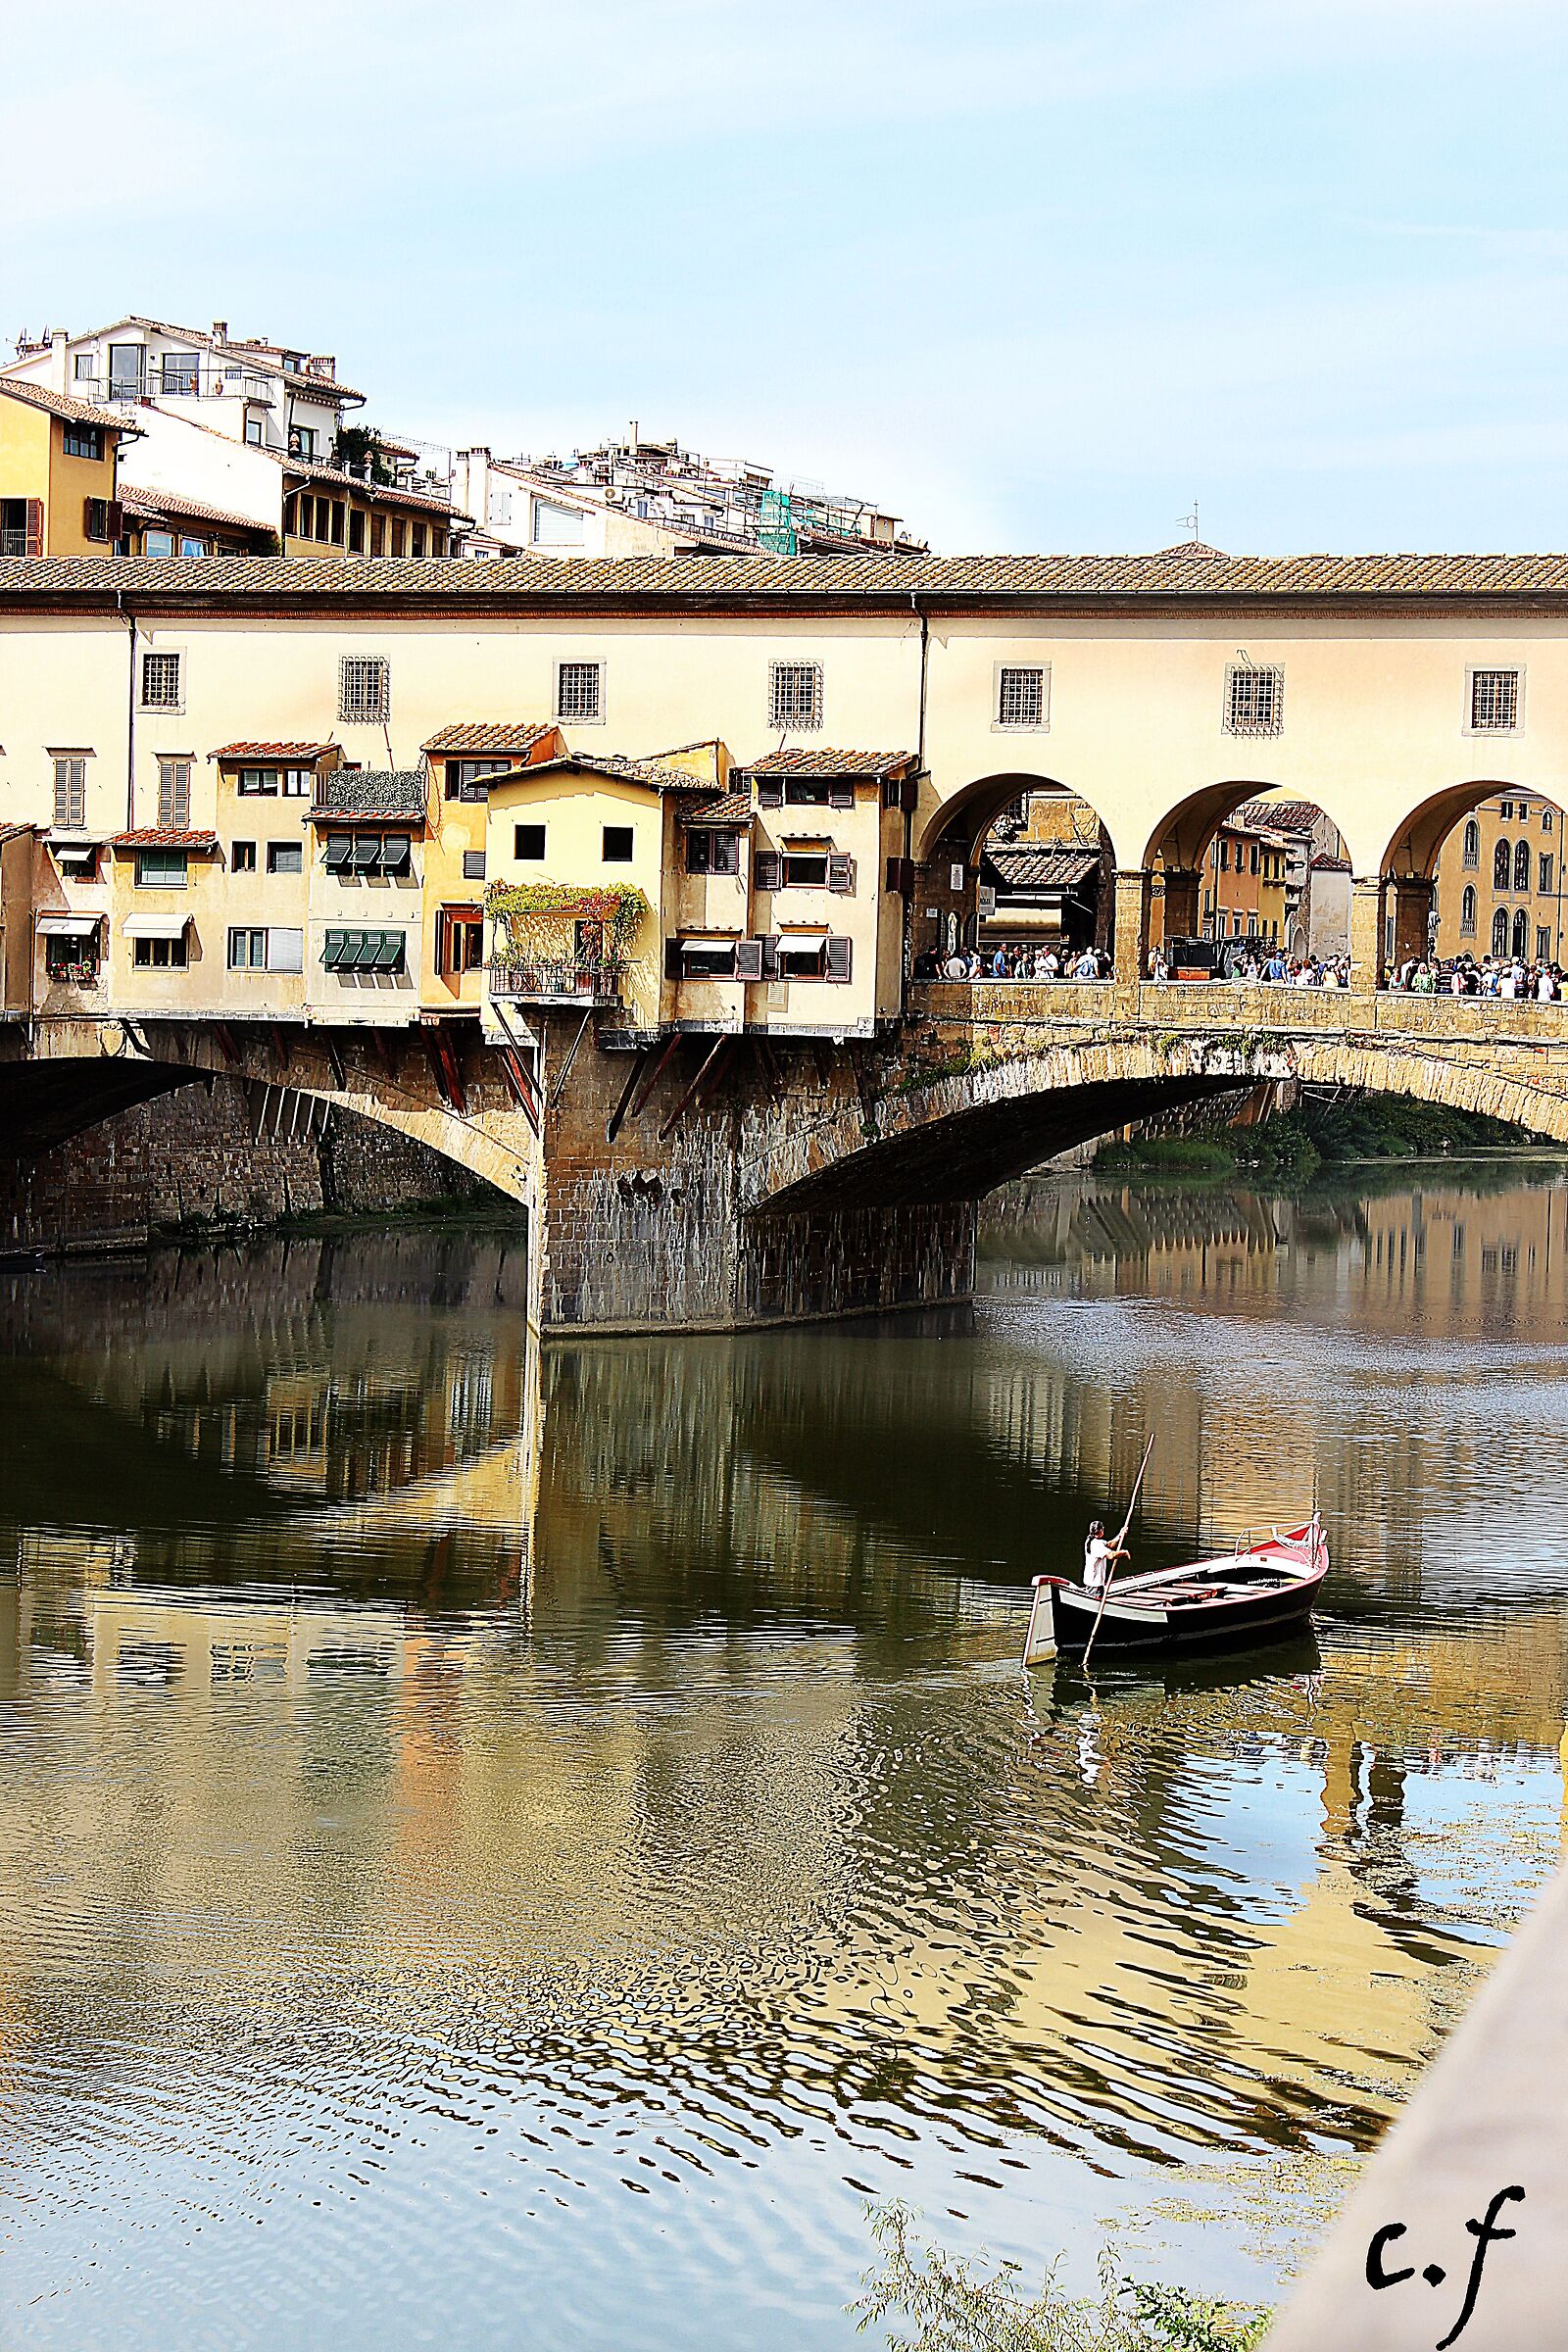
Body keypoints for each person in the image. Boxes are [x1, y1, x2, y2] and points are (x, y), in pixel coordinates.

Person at [1083, 1518, 1128, 1594]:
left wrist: (1120, 1535)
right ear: (1100, 1530)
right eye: (1103, 1528)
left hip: (1089, 1582)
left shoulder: (1090, 1540)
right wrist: (1123, 1552)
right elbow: (1111, 1555)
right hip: (1095, 1584)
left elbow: (1109, 1545)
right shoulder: (1097, 1545)